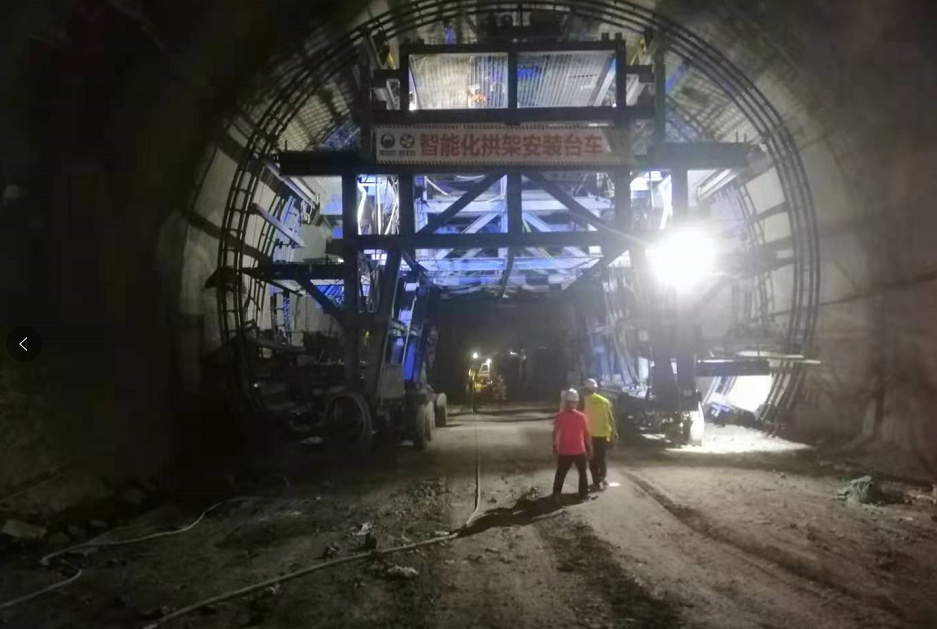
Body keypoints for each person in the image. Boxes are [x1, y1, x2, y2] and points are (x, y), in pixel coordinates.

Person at [552, 389, 592, 504]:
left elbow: (555, 432)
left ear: (566, 402)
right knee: (582, 474)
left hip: (564, 451)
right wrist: (590, 448)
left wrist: (555, 445)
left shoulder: (560, 416)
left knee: (560, 473)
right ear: (576, 402)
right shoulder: (582, 416)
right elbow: (586, 434)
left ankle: (556, 494)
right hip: (579, 450)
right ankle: (583, 495)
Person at [581, 378, 618, 490]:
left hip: (589, 435)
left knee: (592, 459)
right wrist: (614, 432)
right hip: (603, 434)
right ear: (595, 389)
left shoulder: (583, 402)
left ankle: (596, 482)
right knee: (601, 458)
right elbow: (610, 418)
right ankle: (603, 478)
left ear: (585, 389)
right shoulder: (605, 401)